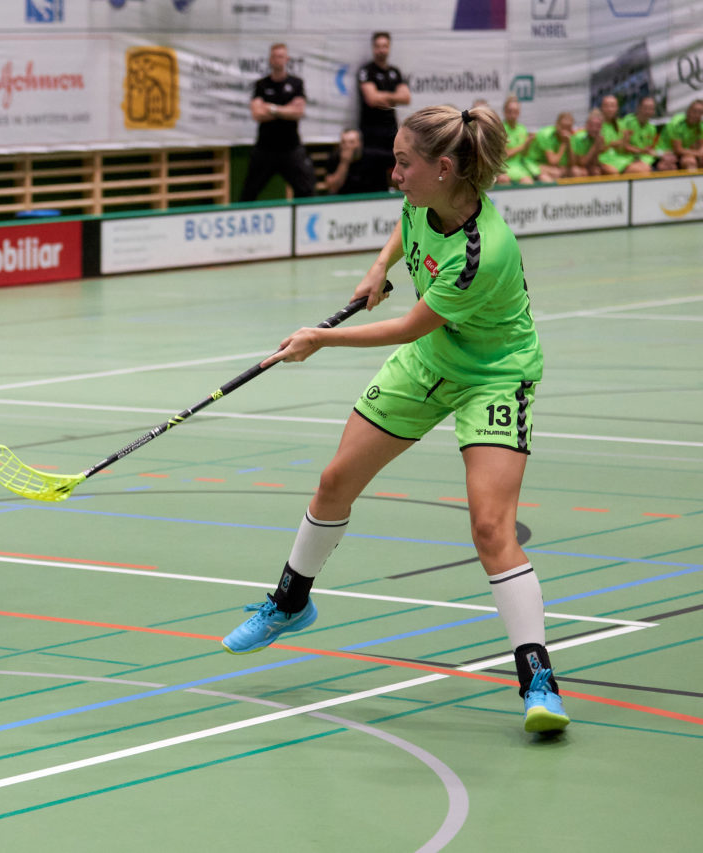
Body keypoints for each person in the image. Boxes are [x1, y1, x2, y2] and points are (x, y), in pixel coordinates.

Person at [221, 104, 570, 736]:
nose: (394, 172)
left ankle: (537, 676)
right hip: (430, 362)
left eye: (404, 162)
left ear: (443, 168)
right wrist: (382, 266)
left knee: (491, 528)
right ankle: (290, 602)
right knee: (334, 483)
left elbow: (410, 325)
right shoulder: (423, 200)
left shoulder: (483, 251)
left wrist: (318, 340)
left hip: (494, 374)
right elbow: (405, 226)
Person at [239, 43, 315, 201]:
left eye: (281, 56)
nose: (277, 60)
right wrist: (286, 110)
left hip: (291, 148)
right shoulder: (262, 85)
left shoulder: (296, 84)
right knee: (248, 193)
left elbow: (298, 112)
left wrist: (272, 108)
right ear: (270, 60)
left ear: (287, 59)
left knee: (306, 191)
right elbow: (257, 114)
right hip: (265, 148)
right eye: (274, 56)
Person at [357, 31, 411, 186]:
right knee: (374, 178)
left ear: (389, 47)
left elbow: (406, 98)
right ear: (373, 48)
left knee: (397, 172)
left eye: (385, 46)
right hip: (371, 133)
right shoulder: (367, 71)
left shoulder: (395, 72)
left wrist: (384, 98)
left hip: (391, 131)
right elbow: (372, 99)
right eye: (378, 46)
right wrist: (394, 96)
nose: (381, 50)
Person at [322, 128, 389, 195]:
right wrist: (344, 162)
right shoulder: (334, 158)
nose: (347, 146)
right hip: (346, 200)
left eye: (351, 142)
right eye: (343, 142)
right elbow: (332, 188)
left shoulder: (374, 157)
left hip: (374, 199)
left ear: (360, 143)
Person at [497, 96, 538, 185]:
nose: (512, 115)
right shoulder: (500, 129)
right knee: (504, 180)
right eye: (510, 111)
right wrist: (523, 145)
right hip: (503, 166)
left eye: (515, 112)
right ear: (504, 112)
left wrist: (529, 143)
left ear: (519, 113)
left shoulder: (522, 129)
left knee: (528, 182)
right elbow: (504, 155)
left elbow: (524, 154)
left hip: (519, 166)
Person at [525, 111, 574, 183]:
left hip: (546, 166)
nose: (565, 131)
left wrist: (569, 144)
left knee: (573, 172)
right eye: (563, 127)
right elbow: (553, 161)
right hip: (532, 163)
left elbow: (571, 164)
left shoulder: (570, 137)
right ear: (557, 124)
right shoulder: (546, 135)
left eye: (568, 128)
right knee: (554, 175)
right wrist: (564, 143)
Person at [616, 96, 660, 175]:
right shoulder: (628, 122)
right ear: (639, 108)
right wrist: (642, 151)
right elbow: (624, 147)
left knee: (667, 165)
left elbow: (649, 148)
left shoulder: (652, 128)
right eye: (646, 108)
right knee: (645, 170)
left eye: (651, 108)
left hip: (643, 158)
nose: (648, 111)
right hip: (626, 158)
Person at [663, 98, 703, 170]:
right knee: (689, 161)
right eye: (694, 111)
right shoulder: (677, 123)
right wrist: (698, 153)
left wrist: (699, 153)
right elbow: (678, 150)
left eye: (700, 112)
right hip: (667, 151)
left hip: (687, 152)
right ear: (688, 111)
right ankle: (692, 181)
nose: (696, 114)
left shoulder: (700, 125)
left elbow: (700, 146)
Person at [568, 109, 610, 177]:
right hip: (575, 166)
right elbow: (582, 162)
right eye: (592, 125)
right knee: (580, 172)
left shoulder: (600, 138)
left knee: (596, 171)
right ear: (587, 125)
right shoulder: (579, 137)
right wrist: (595, 145)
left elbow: (595, 162)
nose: (594, 129)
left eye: (598, 126)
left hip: (589, 165)